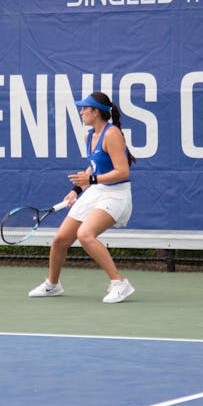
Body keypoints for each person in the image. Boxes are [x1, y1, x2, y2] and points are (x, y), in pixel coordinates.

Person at [28, 91, 136, 303]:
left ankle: (119, 282)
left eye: (85, 108)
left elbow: (123, 172)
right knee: (61, 239)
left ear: (96, 112)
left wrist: (92, 181)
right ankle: (53, 285)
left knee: (85, 234)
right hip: (97, 191)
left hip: (116, 194)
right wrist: (76, 190)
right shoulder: (89, 135)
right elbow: (94, 166)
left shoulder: (112, 133)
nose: (81, 111)